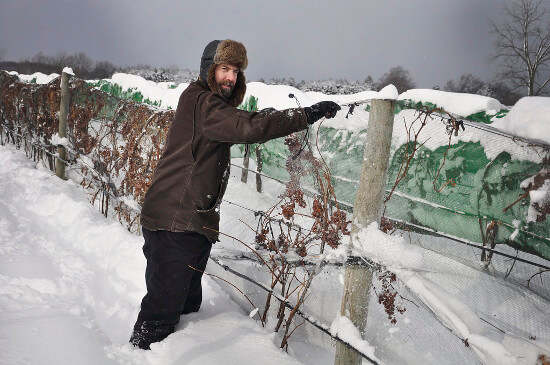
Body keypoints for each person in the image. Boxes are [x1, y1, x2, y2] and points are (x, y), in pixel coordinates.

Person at [130, 39, 340, 350]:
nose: (230, 77)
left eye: (236, 71)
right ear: (209, 70)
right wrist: (304, 115)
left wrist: (267, 116)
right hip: (175, 223)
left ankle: (166, 352)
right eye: (224, 69)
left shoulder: (208, 105)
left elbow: (242, 122)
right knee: (161, 314)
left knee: (185, 308)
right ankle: (139, 356)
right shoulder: (203, 102)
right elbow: (248, 127)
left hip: (187, 221)